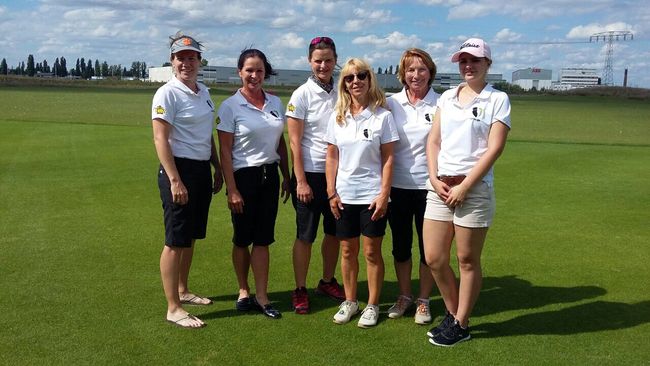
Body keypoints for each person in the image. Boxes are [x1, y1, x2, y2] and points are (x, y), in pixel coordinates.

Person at [423, 38, 510, 346]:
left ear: (488, 63)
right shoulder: (446, 97)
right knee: (434, 257)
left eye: (474, 60)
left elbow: (494, 148)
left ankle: (461, 323)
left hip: (473, 189)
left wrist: (465, 186)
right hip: (440, 187)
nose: (468, 66)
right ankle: (453, 313)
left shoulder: (497, 99)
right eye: (463, 61)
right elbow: (433, 141)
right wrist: (433, 178)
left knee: (467, 259)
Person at [152, 33, 223, 329]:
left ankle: (183, 290)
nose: (186, 63)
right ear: (172, 61)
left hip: (200, 170)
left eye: (191, 58)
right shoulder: (166, 93)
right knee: (175, 241)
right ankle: (173, 307)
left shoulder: (203, 91)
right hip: (177, 170)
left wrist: (217, 166)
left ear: (199, 62)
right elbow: (160, 138)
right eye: (181, 58)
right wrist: (174, 180)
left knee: (190, 236)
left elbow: (206, 134)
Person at [325, 58, 399, 328]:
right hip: (344, 196)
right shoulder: (337, 117)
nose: (355, 81)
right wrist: (331, 192)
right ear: (344, 83)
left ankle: (372, 305)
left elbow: (389, 158)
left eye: (361, 76)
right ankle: (350, 300)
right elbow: (331, 156)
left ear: (370, 80)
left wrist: (383, 194)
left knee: (371, 252)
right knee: (347, 251)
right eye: (349, 77)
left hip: (372, 196)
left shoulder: (383, 116)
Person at [217, 48, 290, 320]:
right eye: (249, 70)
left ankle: (262, 296)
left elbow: (280, 141)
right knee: (241, 239)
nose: (254, 75)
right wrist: (232, 188)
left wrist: (287, 175)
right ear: (240, 72)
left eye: (259, 70)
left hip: (270, 177)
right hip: (243, 178)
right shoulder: (230, 106)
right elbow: (225, 150)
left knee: (262, 239)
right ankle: (243, 289)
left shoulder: (275, 102)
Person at [286, 36, 345, 314]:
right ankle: (300, 288)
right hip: (309, 174)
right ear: (310, 62)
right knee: (305, 236)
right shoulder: (302, 94)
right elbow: (294, 142)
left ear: (335, 61)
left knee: (333, 233)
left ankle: (327, 280)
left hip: (339, 175)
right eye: (318, 60)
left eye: (328, 60)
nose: (323, 65)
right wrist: (300, 181)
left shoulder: (343, 90)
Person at [385, 48, 439, 325]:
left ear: (430, 72)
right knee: (401, 247)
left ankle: (424, 300)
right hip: (397, 187)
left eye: (421, 69)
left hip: (431, 188)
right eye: (410, 70)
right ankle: (405, 296)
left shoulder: (442, 104)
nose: (415, 75)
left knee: (429, 250)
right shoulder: (390, 103)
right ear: (402, 74)